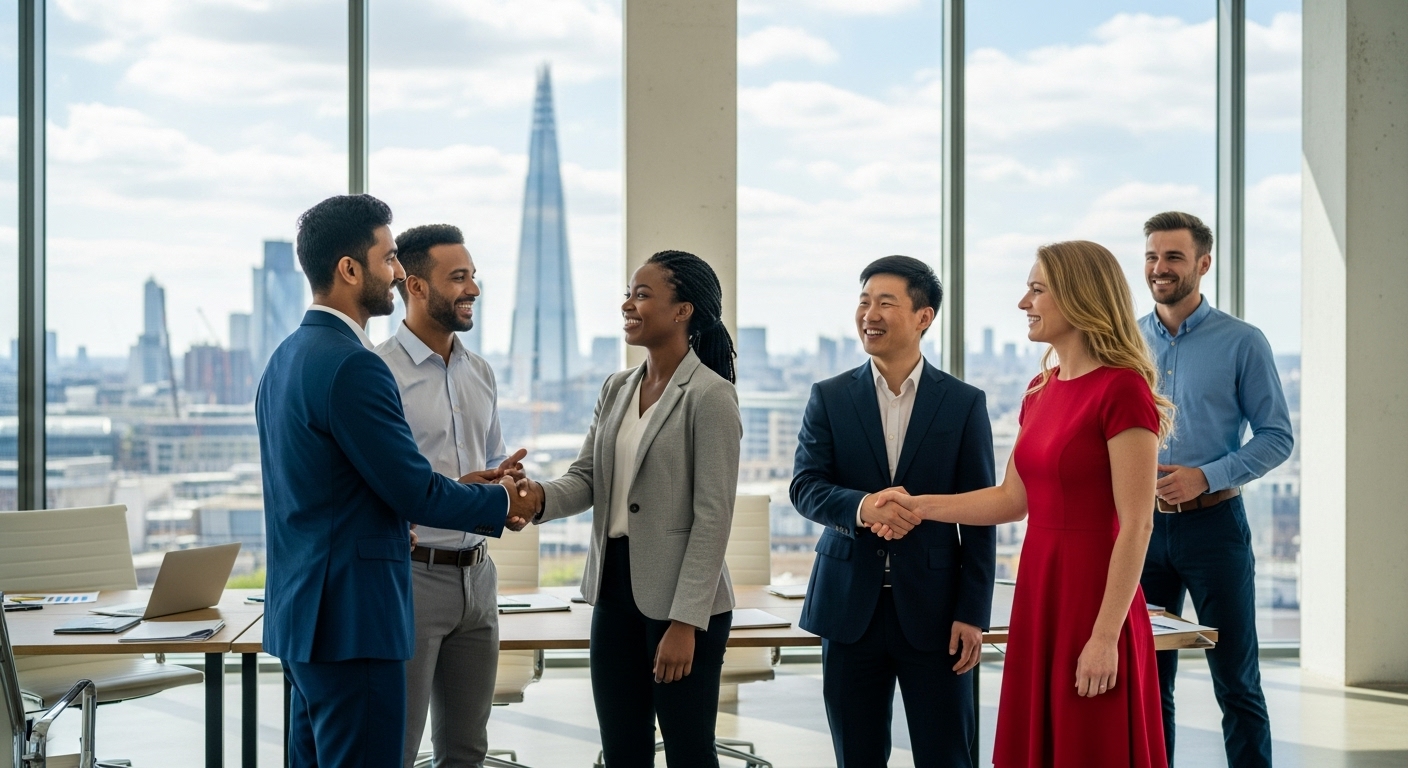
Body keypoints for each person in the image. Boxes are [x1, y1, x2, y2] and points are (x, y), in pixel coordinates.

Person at [258, 195, 536, 767]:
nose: (396, 273)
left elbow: (331, 493)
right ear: (349, 269)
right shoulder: (357, 364)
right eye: (388, 260)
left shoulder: (284, 358)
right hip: (356, 619)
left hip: (305, 617)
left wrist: (428, 507)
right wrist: (495, 499)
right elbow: (412, 489)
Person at [872, 241, 1172, 767]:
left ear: (1079, 297)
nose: (1023, 302)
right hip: (1041, 589)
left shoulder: (1122, 390)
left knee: (1090, 742)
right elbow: (1012, 499)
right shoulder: (1040, 389)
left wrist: (1105, 638)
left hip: (1094, 596)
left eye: (1036, 289)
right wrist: (917, 506)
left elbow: (1138, 524)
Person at [515, 250, 742, 768]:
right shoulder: (617, 387)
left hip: (684, 602)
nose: (628, 305)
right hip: (613, 591)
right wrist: (536, 498)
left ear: (683, 310)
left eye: (642, 295)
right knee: (622, 750)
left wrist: (686, 622)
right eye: (628, 293)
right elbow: (588, 478)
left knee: (688, 751)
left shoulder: (710, 396)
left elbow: (713, 518)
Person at [790, 255, 996, 767]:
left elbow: (980, 513)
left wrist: (973, 613)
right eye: (863, 302)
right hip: (848, 607)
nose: (869, 314)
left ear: (923, 316)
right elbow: (805, 486)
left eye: (885, 302)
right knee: (856, 756)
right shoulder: (830, 396)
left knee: (947, 754)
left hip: (936, 612)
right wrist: (862, 506)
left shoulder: (963, 403)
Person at [1138, 211, 1291, 768]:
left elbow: (1277, 437)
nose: (1160, 267)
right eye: (1153, 256)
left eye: (1174, 257)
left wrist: (1206, 476)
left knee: (1237, 682)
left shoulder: (1242, 342)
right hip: (1140, 530)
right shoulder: (1124, 342)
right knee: (1148, 684)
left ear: (1203, 264)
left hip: (1214, 528)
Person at [374, 224, 525, 768]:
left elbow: (492, 461)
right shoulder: (379, 372)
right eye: (458, 278)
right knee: (399, 746)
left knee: (467, 751)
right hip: (412, 578)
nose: (473, 290)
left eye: (474, 276)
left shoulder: (479, 372)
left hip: (478, 579)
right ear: (415, 286)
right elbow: (387, 484)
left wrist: (510, 490)